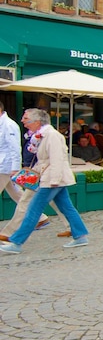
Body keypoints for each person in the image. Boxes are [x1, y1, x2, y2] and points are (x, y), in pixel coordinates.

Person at [0, 108, 90, 254]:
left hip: (52, 179)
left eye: (26, 119)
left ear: (37, 122)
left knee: (34, 209)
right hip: (52, 178)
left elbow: (57, 159)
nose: (23, 122)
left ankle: (16, 242)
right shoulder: (43, 135)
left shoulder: (51, 136)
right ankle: (80, 236)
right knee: (67, 208)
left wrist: (53, 180)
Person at [0, 100, 52, 237]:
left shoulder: (9, 125)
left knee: (20, 194)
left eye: (26, 118)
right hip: (4, 166)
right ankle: (40, 217)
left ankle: (13, 231)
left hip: (5, 166)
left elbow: (14, 148)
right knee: (17, 194)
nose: (24, 120)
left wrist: (15, 168)